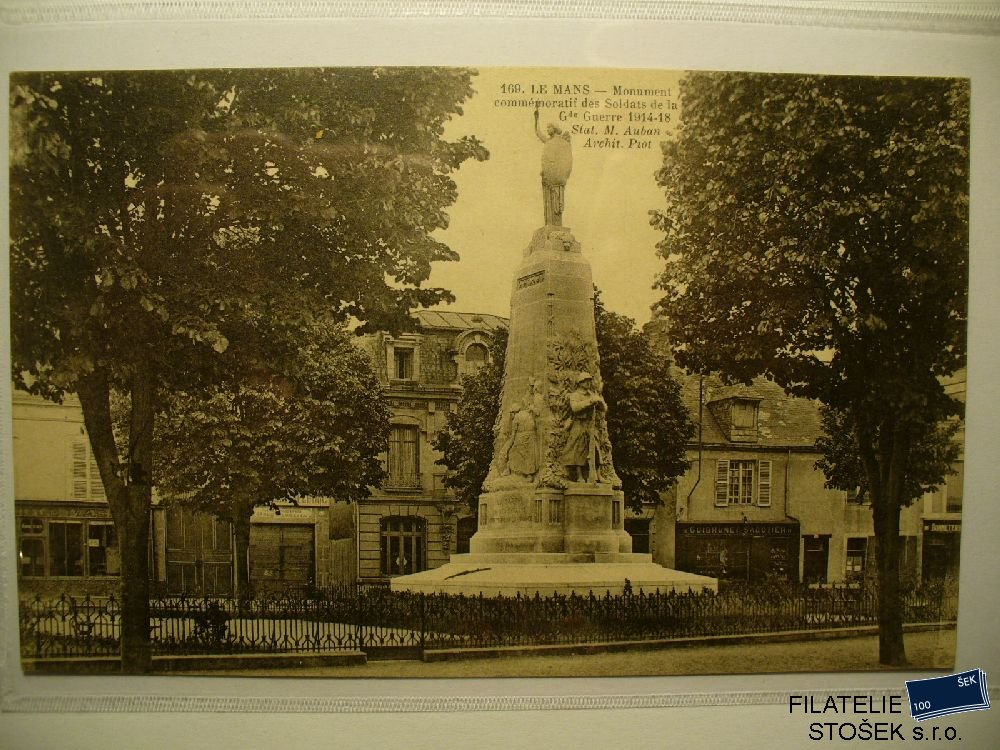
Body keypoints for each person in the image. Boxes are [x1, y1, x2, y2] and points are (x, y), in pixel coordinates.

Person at [559, 371, 606, 483]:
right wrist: (589, 402)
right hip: (579, 423)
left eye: (589, 381)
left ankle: (598, 474)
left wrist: (599, 402)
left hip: (590, 425)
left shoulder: (592, 394)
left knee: (596, 448)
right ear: (580, 383)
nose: (588, 383)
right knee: (578, 449)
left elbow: (604, 409)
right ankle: (579, 475)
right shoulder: (575, 395)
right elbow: (575, 408)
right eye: (586, 381)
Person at [534, 108, 573, 226]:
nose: (547, 130)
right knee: (548, 203)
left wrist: (560, 175)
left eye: (549, 128)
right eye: (546, 128)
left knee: (556, 203)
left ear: (554, 129)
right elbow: (538, 133)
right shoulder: (548, 142)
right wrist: (536, 120)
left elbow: (567, 160)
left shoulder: (562, 143)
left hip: (556, 178)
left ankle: (556, 225)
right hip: (547, 177)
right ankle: (550, 224)